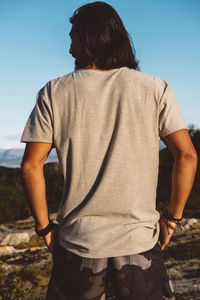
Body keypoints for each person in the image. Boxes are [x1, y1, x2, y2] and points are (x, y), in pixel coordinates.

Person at [20, 2, 197, 300]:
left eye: (73, 37)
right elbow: (188, 156)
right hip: (139, 242)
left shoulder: (54, 91)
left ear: (90, 38)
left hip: (78, 245)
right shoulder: (155, 88)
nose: (70, 49)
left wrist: (44, 229)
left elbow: (30, 166)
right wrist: (171, 220)